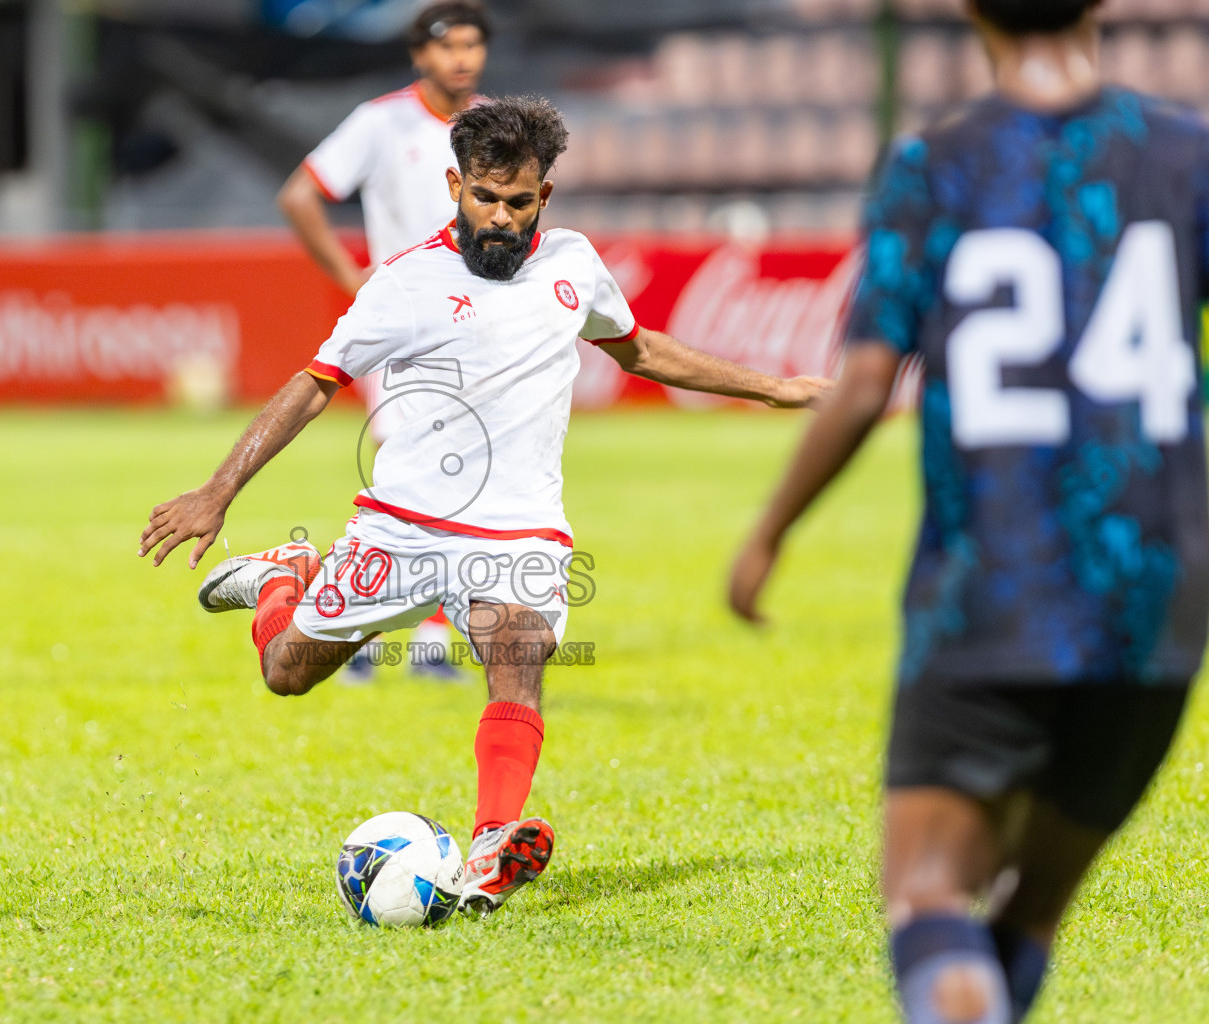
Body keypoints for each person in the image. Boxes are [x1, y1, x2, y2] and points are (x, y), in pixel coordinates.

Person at [142, 96, 832, 915]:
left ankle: (491, 842)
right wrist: (219, 491)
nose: (498, 219)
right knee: (285, 672)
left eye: (517, 202)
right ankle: (286, 575)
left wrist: (773, 388)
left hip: (519, 526)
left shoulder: (574, 265)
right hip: (400, 525)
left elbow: (639, 347)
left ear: (544, 197)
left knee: (519, 650)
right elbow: (313, 385)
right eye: (483, 198)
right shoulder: (404, 282)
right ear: (454, 185)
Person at [728, 2, 1208, 1021]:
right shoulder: (1186, 153)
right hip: (1154, 595)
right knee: (1028, 911)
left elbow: (862, 386)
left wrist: (770, 531)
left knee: (930, 895)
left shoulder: (933, 164)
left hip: (990, 590)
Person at [277, 1, 492, 682]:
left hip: (476, 322)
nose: (461, 57)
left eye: (472, 44)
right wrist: (351, 276)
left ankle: (418, 636)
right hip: (403, 324)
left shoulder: (495, 125)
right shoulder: (382, 121)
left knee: (460, 473)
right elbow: (301, 194)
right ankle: (356, 621)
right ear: (419, 55)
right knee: (405, 469)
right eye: (448, 45)